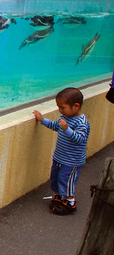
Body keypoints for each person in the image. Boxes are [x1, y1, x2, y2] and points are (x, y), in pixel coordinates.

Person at [33, 87, 90, 215]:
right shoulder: (65, 117)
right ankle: (58, 197)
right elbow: (55, 126)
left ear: (76, 106)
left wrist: (67, 129)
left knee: (66, 180)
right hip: (60, 157)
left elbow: (80, 139)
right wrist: (42, 120)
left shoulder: (82, 123)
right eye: (59, 107)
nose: (60, 110)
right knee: (55, 177)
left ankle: (70, 201)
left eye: (62, 107)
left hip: (72, 161)